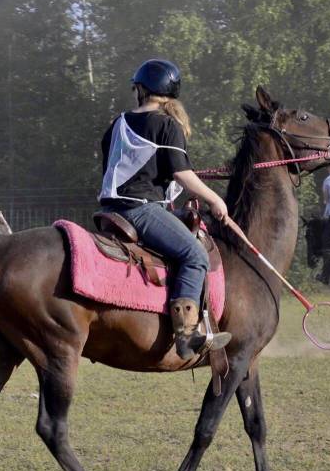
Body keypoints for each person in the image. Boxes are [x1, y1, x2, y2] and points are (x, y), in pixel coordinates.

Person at [98, 58, 231, 359]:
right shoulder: (167, 125)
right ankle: (186, 335)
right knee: (195, 255)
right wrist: (215, 199)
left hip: (111, 209)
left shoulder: (116, 124)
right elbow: (182, 174)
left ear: (141, 90)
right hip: (141, 210)